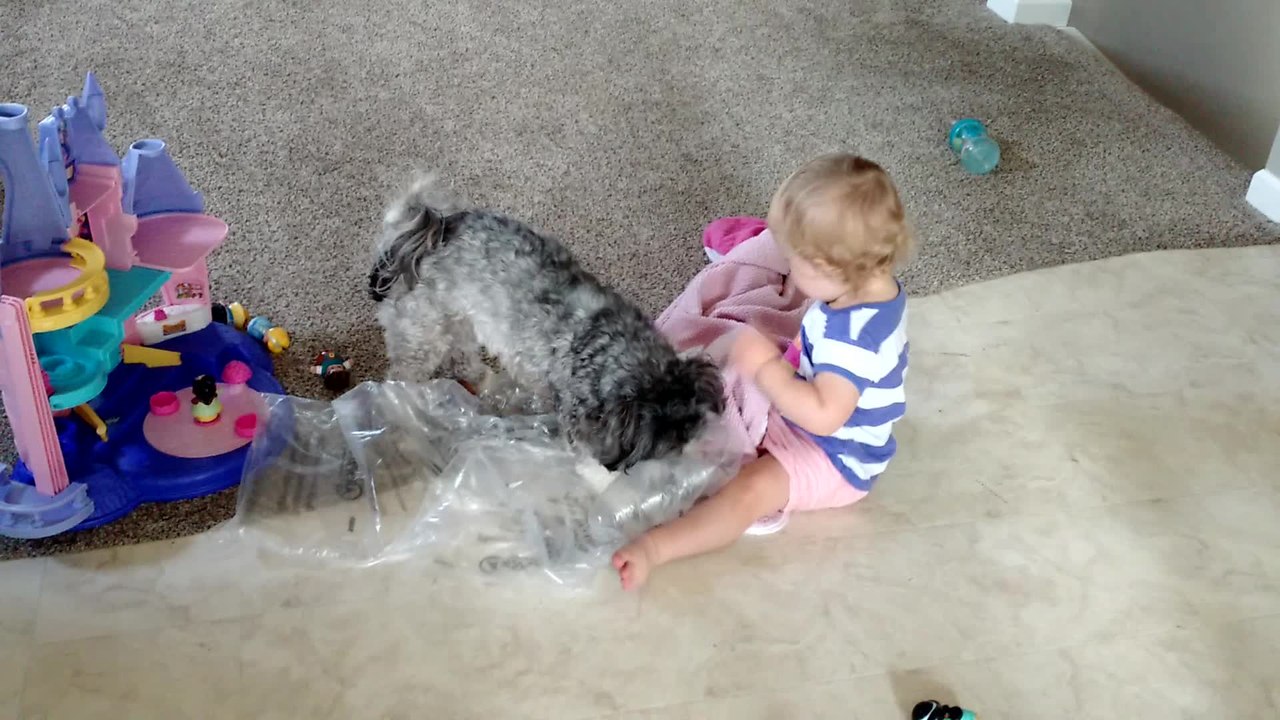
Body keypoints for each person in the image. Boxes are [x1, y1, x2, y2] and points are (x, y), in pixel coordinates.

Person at [612, 154, 913, 590]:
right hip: (810, 407)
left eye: (796, 262)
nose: (788, 267)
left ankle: (656, 549)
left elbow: (825, 416)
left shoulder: (855, 340)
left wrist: (767, 368)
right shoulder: (864, 287)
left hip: (835, 455)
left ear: (831, 268)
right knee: (710, 400)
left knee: (747, 491)